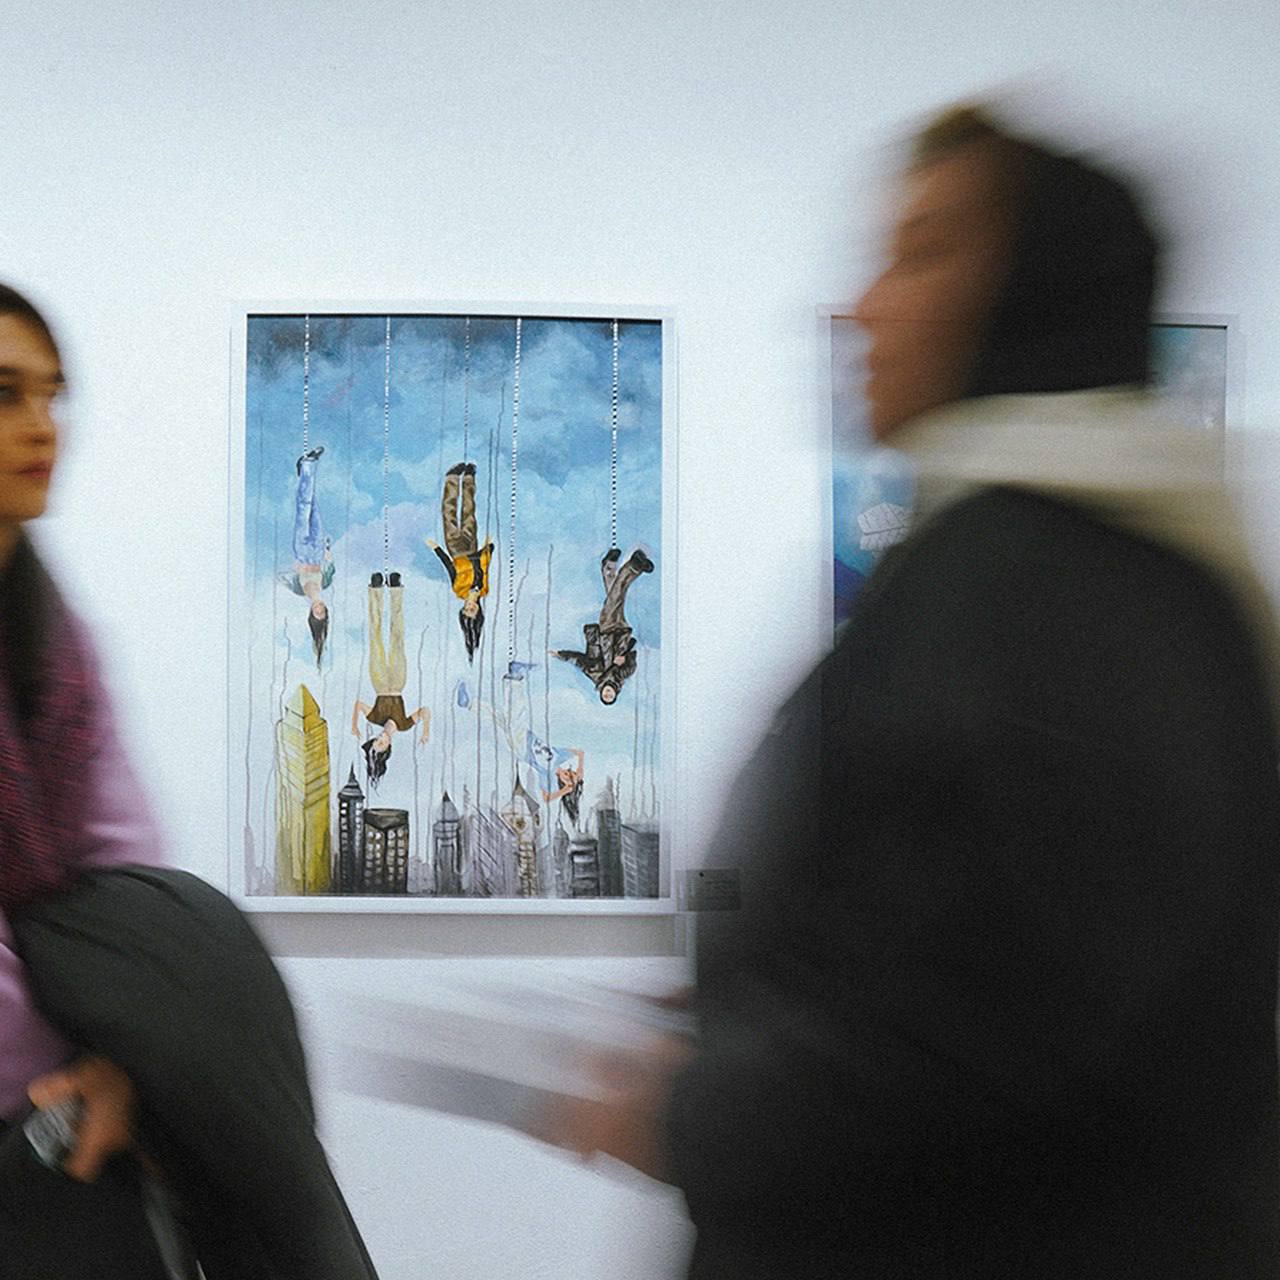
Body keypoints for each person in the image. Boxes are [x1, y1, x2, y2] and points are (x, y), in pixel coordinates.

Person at [551, 107, 1280, 1279]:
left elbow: (991, 1024)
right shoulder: (1036, 557)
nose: (865, 307)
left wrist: (693, 1107)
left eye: (923, 253)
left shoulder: (1054, 582)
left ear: (1037, 291)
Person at [0, 284, 174, 1275]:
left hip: (63, 1119)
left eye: (52, 394)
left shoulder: (60, 645)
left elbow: (132, 869)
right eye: (4, 393)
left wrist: (124, 1059)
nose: (42, 425)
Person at [351, 573, 429, 788]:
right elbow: (425, 711)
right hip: (397, 682)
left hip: (379, 683)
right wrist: (425, 731)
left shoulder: (375, 718)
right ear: (389, 747)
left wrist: (354, 725)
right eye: (382, 744)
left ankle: (375, 590)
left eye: (376, 741)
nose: (380, 739)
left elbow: (358, 705)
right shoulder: (404, 725)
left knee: (375, 637)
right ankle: (396, 590)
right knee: (397, 637)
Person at [552, 547, 653, 704]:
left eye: (605, 696)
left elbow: (579, 661)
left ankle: (633, 566)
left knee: (615, 598)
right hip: (622, 632)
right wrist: (625, 658)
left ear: (601, 693)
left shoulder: (595, 675)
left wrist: (561, 655)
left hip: (605, 630)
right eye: (610, 696)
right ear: (615, 693)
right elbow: (632, 662)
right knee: (617, 596)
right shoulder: (623, 675)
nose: (608, 693)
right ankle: (609, 567)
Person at [426, 461, 493, 661]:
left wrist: (437, 549)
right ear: (479, 611)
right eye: (473, 610)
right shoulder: (483, 589)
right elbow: (484, 566)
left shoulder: (458, 589)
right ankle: (469, 477)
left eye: (466, 610)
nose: (470, 606)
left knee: (449, 514)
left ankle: (452, 478)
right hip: (473, 547)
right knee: (469, 512)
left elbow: (449, 568)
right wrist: (489, 547)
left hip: (456, 550)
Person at [280, 443, 333, 667]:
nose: (319, 608)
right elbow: (330, 567)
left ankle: (307, 466)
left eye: (316, 612)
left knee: (304, 507)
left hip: (302, 551)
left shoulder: (298, 589)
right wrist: (328, 554)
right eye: (322, 612)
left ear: (311, 613)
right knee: (315, 508)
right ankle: (304, 471)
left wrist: (295, 568)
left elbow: (279, 576)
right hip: (318, 551)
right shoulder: (325, 584)